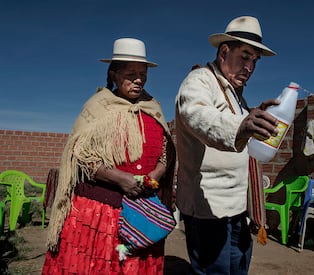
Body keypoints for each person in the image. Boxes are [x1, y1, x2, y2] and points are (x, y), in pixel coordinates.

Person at [42, 38, 176, 274]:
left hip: (141, 213)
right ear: (114, 74)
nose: (138, 79)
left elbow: (165, 152)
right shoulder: (98, 107)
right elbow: (79, 156)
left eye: (143, 74)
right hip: (101, 212)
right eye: (131, 73)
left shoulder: (152, 108)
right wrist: (118, 178)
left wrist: (154, 175)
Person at [175, 16, 279, 274]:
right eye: (245, 56)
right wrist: (242, 126)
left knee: (237, 269)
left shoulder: (236, 94)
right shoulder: (200, 81)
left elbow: (234, 121)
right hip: (207, 209)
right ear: (224, 51)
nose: (250, 66)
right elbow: (198, 116)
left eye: (255, 60)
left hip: (236, 207)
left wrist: (253, 117)